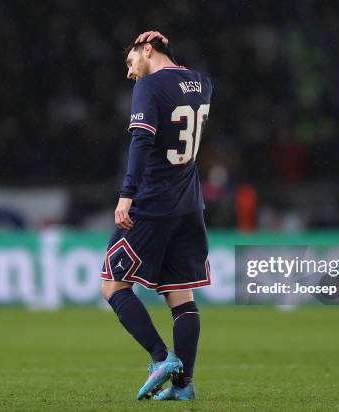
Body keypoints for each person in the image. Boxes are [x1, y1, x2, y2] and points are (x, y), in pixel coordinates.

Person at [100, 30, 213, 401]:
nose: (131, 73)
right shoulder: (202, 83)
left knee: (113, 285)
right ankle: (184, 386)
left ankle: (161, 358)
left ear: (147, 49)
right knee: (181, 295)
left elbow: (142, 142)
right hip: (189, 203)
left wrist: (126, 195)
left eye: (131, 63)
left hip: (152, 201)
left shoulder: (149, 87)